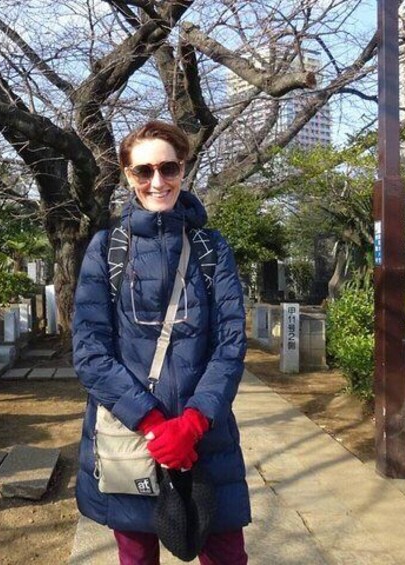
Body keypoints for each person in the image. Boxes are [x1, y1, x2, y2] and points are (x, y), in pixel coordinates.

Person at [72, 120, 250, 564]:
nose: (157, 182)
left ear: (183, 169)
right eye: (143, 171)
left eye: (168, 169)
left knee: (226, 555)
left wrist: (192, 422)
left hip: (206, 437)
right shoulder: (106, 248)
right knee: (137, 558)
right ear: (127, 175)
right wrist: (152, 423)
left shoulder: (211, 248)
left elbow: (229, 343)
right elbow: (90, 351)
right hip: (131, 439)